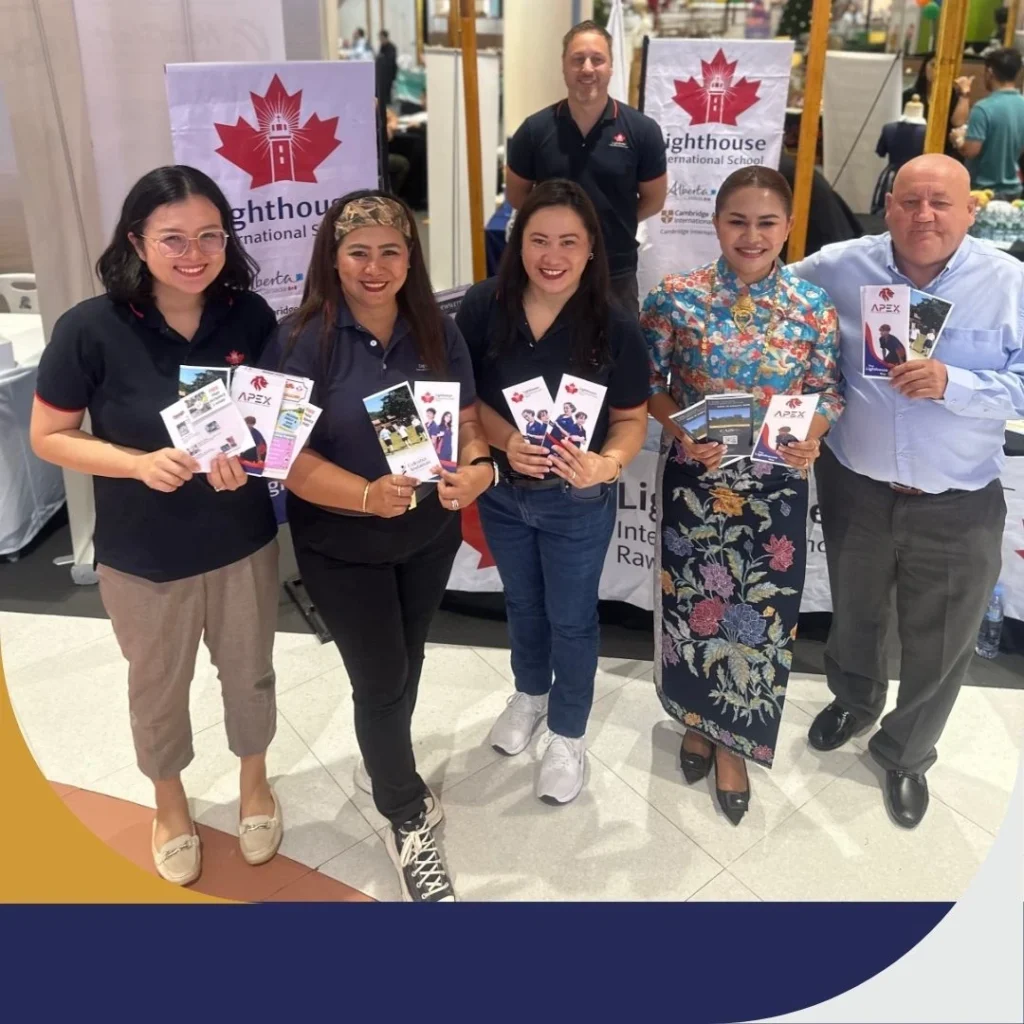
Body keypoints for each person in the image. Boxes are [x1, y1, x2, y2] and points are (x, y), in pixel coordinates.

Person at [30, 166, 282, 884]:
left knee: (250, 674)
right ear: (136, 241)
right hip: (143, 553)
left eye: (210, 236)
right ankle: (169, 804)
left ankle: (255, 783)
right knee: (157, 687)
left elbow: (269, 422)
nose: (193, 254)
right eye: (173, 238)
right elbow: (49, 437)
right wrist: (136, 463)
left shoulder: (249, 315)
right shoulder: (90, 328)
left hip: (241, 540)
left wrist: (251, 459)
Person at [263, 191, 495, 902]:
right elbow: (284, 457)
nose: (375, 267)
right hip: (341, 544)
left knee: (407, 660)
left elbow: (468, 419)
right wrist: (364, 495)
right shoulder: (300, 338)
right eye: (358, 252)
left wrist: (478, 468)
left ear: (410, 257)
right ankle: (405, 813)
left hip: (427, 536)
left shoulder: (436, 329)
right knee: (382, 677)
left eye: (390, 251)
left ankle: (382, 755)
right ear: (332, 258)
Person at [790, 154, 1024, 829]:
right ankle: (854, 702)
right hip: (856, 486)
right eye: (910, 201)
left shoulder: (1009, 284)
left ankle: (907, 751)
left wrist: (958, 383)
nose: (924, 215)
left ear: (971, 211)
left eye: (941, 203)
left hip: (959, 499)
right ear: (888, 207)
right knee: (856, 613)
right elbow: (771, 297)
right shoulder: (839, 267)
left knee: (942, 639)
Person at [642, 166, 842, 827]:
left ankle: (735, 743)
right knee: (693, 607)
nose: (751, 235)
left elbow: (828, 391)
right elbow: (649, 383)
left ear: (788, 226)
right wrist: (681, 428)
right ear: (716, 223)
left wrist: (811, 436)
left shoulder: (812, 306)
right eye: (737, 221)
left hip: (775, 488)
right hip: (697, 482)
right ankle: (696, 721)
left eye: (766, 222)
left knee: (758, 614)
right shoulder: (676, 298)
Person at [455, 179, 649, 805]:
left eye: (569, 241)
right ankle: (530, 693)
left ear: (592, 248)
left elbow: (631, 419)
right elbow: (467, 400)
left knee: (571, 618)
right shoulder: (484, 306)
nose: (553, 255)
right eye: (539, 239)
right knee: (522, 604)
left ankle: (568, 732)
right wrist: (506, 439)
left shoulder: (614, 324)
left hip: (576, 500)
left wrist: (607, 465)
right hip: (503, 493)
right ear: (519, 244)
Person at [505, 20, 667, 316]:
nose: (587, 68)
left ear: (611, 67)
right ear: (564, 66)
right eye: (578, 59)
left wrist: (612, 220)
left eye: (597, 59)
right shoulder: (533, 131)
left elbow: (654, 199)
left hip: (615, 270)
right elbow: (517, 196)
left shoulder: (643, 131)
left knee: (618, 345)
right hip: (552, 269)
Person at [957, 47, 1024, 200]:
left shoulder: (983, 108)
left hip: (983, 192)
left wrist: (959, 140)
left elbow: (971, 151)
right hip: (1014, 189)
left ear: (990, 71)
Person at [903, 52, 971, 161]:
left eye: (941, 66)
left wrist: (964, 95)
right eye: (933, 65)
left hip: (945, 152)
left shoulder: (952, 95)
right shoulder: (909, 95)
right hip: (914, 150)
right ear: (924, 68)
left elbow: (958, 122)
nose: (937, 70)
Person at [376, 29, 398, 108]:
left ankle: (388, 106)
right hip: (382, 72)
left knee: (387, 90)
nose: (380, 40)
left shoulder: (392, 47)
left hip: (389, 72)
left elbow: (390, 61)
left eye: (381, 38)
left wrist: (382, 58)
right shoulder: (382, 46)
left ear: (385, 37)